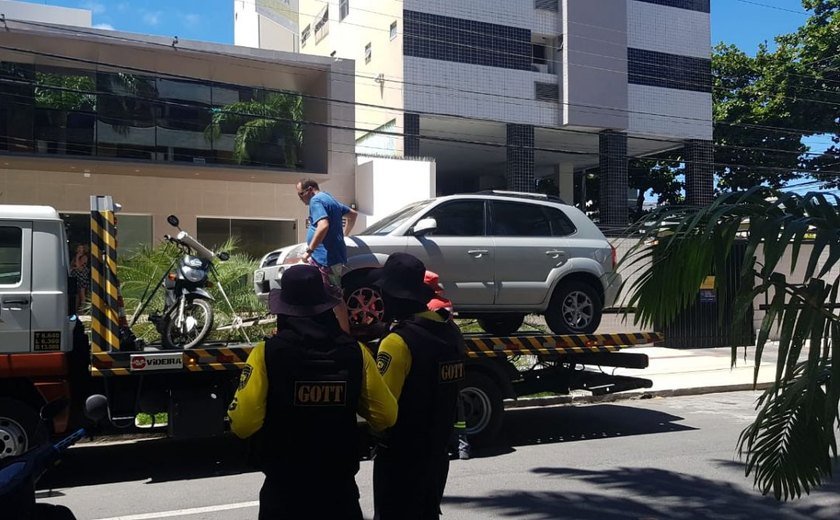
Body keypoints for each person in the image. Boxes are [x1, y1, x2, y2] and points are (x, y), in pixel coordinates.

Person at [228, 264, 397, 520]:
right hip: (338, 493)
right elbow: (386, 415)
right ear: (326, 307)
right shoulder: (355, 353)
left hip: (284, 494)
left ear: (284, 310)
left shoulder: (266, 354)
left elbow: (242, 424)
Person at [370, 253, 466, 520]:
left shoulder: (398, 342)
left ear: (394, 295)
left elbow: (382, 414)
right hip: (436, 456)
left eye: (383, 292)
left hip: (401, 459)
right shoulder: (452, 333)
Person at [296, 178, 358, 334]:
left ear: (310, 190)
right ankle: (325, 328)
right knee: (322, 294)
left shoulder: (316, 201)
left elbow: (323, 225)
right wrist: (345, 235)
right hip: (328, 257)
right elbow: (353, 214)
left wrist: (309, 251)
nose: (301, 199)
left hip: (325, 258)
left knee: (334, 297)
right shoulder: (328, 198)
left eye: (301, 194)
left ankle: (345, 335)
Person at [423, 271, 471, 461]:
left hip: (437, 357)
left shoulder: (428, 306)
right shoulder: (445, 302)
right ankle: (463, 446)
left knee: (436, 405)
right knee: (455, 403)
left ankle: (441, 445)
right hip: (454, 357)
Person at [69, 244, 90, 312]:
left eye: (81, 248)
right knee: (76, 294)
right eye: (79, 248)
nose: (80, 250)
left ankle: (83, 310)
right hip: (75, 276)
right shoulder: (74, 257)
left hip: (82, 277)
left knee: (82, 294)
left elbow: (79, 267)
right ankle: (76, 309)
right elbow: (71, 266)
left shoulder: (84, 257)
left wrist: (78, 258)